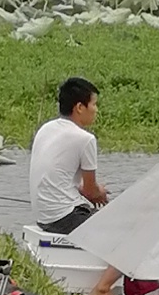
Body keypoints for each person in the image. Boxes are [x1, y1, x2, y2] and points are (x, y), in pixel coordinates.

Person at [28, 78, 109, 235]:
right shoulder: (85, 139)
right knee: (119, 228)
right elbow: (90, 192)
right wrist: (101, 192)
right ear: (79, 107)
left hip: (43, 218)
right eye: (93, 104)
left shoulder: (46, 129)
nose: (96, 109)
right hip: (64, 218)